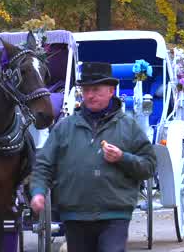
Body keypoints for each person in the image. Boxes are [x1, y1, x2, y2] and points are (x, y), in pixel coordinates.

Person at [31, 61, 157, 252]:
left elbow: (149, 166)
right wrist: (38, 191)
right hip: (75, 215)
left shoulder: (129, 127)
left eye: (96, 89)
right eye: (86, 90)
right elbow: (44, 163)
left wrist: (123, 158)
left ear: (111, 91)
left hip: (115, 215)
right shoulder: (65, 127)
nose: (90, 95)